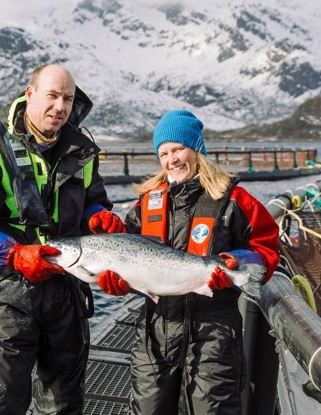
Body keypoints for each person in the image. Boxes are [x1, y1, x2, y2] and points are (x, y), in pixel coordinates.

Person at [0, 64, 126, 415]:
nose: (60, 106)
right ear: (30, 95)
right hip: (8, 292)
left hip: (67, 289)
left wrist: (98, 218)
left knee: (63, 402)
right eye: (53, 96)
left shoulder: (83, 151)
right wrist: (14, 255)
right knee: (1, 400)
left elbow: (93, 202)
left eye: (68, 99)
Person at [96, 109, 281, 415]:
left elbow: (267, 248)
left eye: (178, 149)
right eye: (164, 153)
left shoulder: (235, 200)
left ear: (196, 149)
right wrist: (120, 284)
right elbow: (126, 255)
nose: (172, 160)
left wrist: (236, 261)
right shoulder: (145, 205)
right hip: (155, 335)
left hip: (215, 335)